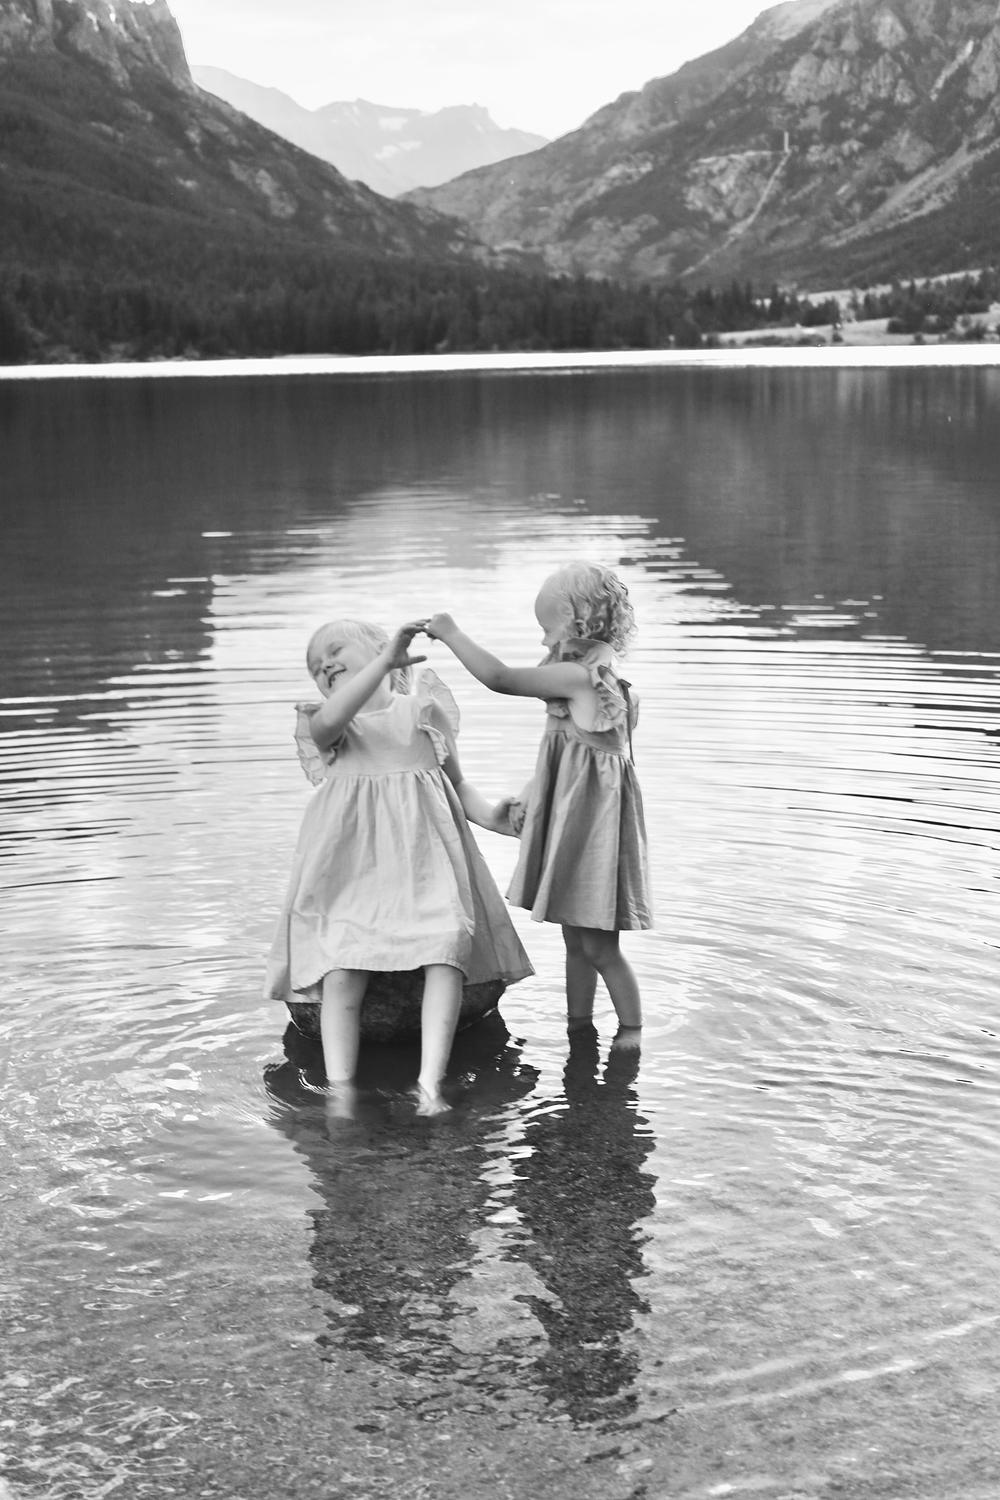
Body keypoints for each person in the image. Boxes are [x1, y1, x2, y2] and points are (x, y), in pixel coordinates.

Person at [263, 617, 533, 1115]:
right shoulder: (331, 727)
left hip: (423, 871)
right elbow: (327, 724)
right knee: (342, 970)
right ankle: (341, 1091)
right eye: (315, 666)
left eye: (335, 650)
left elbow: (458, 786)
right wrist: (383, 663)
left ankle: (430, 1084)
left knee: (447, 948)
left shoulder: (424, 711)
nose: (323, 664)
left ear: (383, 651)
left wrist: (499, 818)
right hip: (353, 880)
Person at [423, 561, 651, 1044]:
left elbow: (500, 678)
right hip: (584, 831)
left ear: (575, 622)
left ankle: (631, 1031)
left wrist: (451, 633)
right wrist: (532, 796)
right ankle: (579, 1025)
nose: (544, 640)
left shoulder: (578, 677)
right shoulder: (606, 684)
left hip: (592, 838)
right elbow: (574, 760)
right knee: (577, 942)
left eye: (546, 629)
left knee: (600, 948)